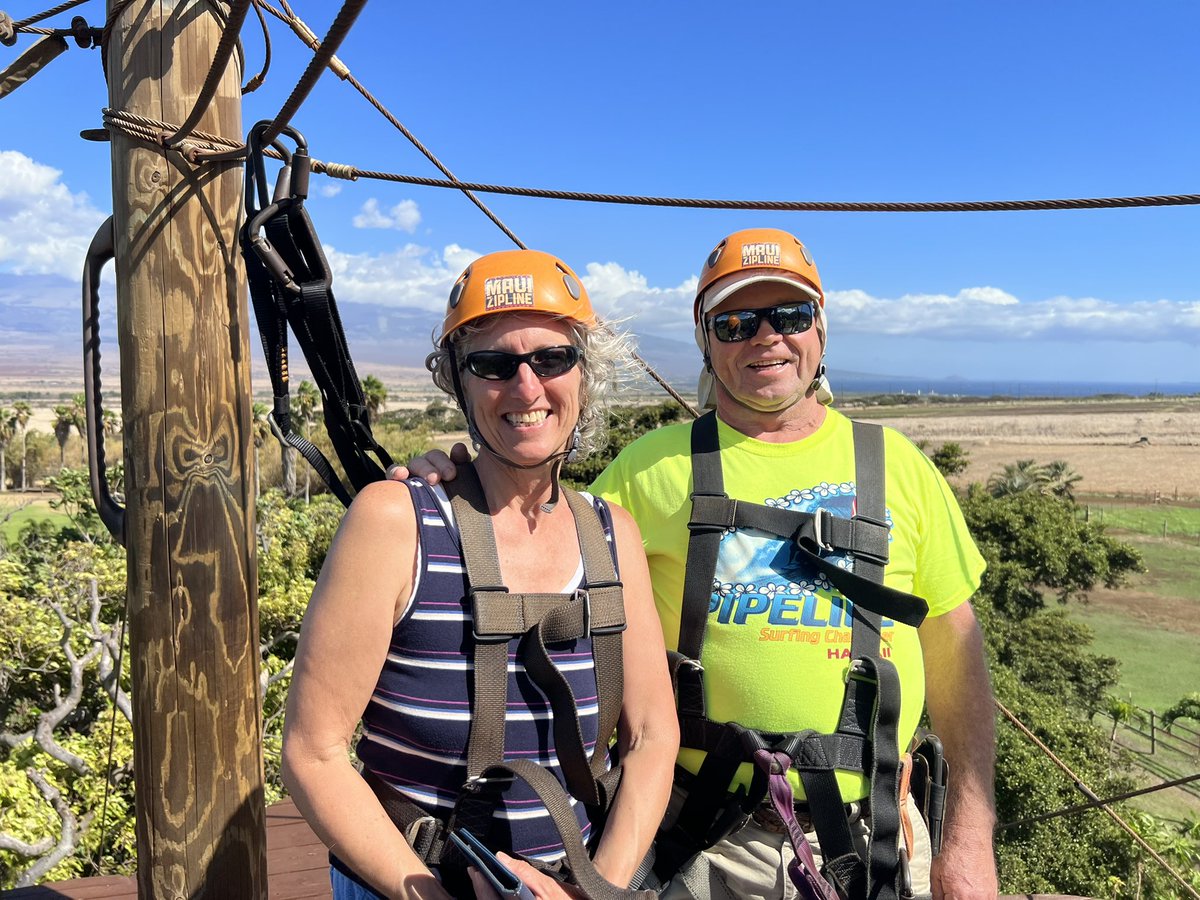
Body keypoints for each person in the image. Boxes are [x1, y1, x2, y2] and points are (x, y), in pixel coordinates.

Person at [394, 229, 998, 900]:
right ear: (706, 339)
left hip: (875, 836)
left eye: (790, 316)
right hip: (705, 841)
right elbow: (528, 531)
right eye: (736, 322)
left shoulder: (899, 469)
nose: (765, 337)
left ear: (820, 331)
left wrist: (968, 843)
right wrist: (455, 480)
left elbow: (956, 661)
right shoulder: (649, 471)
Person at [283, 248, 679, 900]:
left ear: (584, 376)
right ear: (459, 383)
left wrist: (598, 890)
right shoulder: (397, 522)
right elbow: (313, 752)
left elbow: (653, 736)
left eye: (551, 360)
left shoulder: (613, 535)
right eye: (493, 365)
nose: (526, 387)